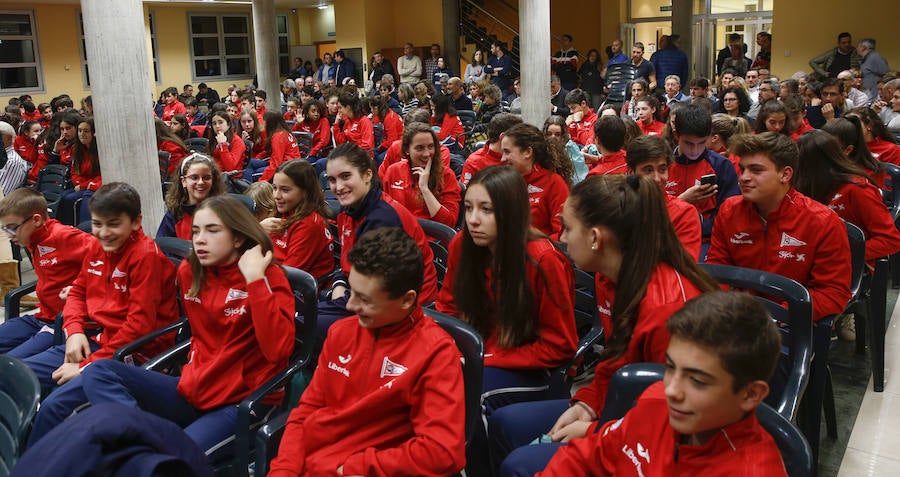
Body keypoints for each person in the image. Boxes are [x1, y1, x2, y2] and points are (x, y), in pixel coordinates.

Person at [491, 173, 717, 471]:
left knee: (520, 465)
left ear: (596, 238)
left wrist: (595, 431)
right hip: (627, 407)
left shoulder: (668, 310)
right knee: (504, 423)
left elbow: (682, 417)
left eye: (568, 228)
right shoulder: (608, 277)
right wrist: (588, 403)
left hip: (669, 437)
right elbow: (617, 357)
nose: (560, 238)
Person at [35, 195, 295, 453]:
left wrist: (255, 281)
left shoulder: (268, 277)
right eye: (195, 231)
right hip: (195, 388)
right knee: (99, 371)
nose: (199, 239)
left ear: (238, 238)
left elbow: (278, 351)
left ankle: (146, 451)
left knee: (168, 460)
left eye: (212, 230)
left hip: (242, 402)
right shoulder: (190, 272)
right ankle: (142, 442)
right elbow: (204, 339)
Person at [269, 227, 465, 476]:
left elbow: (441, 452)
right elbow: (306, 412)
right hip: (313, 463)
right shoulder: (341, 333)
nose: (350, 305)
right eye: (352, 292)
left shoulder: (436, 354)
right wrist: (284, 469)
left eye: (364, 299)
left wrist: (356, 467)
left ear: (406, 300)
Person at [533, 291, 787, 477]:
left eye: (697, 381)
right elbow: (592, 454)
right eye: (670, 367)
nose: (672, 390)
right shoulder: (656, 401)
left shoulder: (752, 470)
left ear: (751, 394)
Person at [24, 183, 180, 445]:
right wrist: (73, 331)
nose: (104, 232)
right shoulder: (98, 246)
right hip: (97, 339)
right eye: (97, 224)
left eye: (113, 224)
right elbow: (76, 292)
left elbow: (138, 328)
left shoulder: (145, 257)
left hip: (132, 354)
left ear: (136, 221)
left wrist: (86, 367)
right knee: (22, 378)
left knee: (53, 408)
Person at [438, 165, 576, 411]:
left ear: (512, 213)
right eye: (468, 208)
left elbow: (559, 346)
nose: (472, 219)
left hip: (529, 367)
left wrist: (487, 359)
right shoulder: (462, 243)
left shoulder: (544, 260)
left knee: (466, 397)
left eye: (486, 209)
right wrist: (450, 350)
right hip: (478, 352)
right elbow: (448, 307)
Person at [707, 132, 852, 323]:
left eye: (756, 170)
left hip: (792, 321)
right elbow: (717, 270)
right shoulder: (729, 210)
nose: (743, 178)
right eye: (742, 169)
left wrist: (780, 314)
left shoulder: (822, 221)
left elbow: (833, 293)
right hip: (737, 316)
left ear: (785, 174)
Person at [320, 143, 438, 336]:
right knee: (302, 319)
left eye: (346, 176)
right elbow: (349, 262)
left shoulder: (383, 218)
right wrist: (340, 283)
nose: (338, 187)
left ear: (367, 175)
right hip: (361, 295)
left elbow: (379, 289)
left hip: (395, 304)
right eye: (332, 180)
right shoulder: (348, 210)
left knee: (303, 325)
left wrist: (343, 295)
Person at [0, 188, 93, 358]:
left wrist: (83, 288)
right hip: (41, 315)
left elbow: (108, 255)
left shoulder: (64, 236)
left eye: (12, 228)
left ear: (36, 220)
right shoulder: (29, 237)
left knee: (10, 366)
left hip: (61, 321)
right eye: (5, 228)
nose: (9, 235)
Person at [795, 129, 900, 267]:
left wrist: (845, 254)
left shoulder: (858, 190)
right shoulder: (799, 187)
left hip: (849, 265)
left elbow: (890, 240)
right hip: (808, 257)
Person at [666, 104, 741, 245]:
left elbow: (729, 214)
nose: (695, 150)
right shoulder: (662, 165)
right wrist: (681, 201)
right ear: (676, 135)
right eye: (688, 143)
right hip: (667, 237)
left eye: (701, 143)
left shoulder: (721, 165)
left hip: (705, 240)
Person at [627, 135, 702, 259]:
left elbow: (683, 269)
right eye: (648, 170)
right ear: (631, 173)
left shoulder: (684, 214)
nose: (657, 179)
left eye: (662, 170)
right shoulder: (618, 207)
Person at [260, 160, 334, 280]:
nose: (276, 196)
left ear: (305, 192)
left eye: (285, 190)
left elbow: (288, 277)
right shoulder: (285, 211)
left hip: (297, 293)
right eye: (275, 188)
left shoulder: (309, 225)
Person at [382, 123, 461, 228]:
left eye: (431, 146)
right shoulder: (393, 171)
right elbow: (384, 211)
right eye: (420, 148)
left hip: (431, 242)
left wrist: (424, 189)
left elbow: (449, 223)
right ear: (407, 150)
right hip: (398, 238)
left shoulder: (446, 175)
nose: (426, 154)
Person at [501, 123, 571, 239]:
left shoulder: (553, 183)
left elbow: (562, 233)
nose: (502, 158)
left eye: (507, 152)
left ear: (527, 152)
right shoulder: (502, 181)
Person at [158, 153, 225, 240]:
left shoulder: (223, 211)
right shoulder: (174, 215)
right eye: (194, 177)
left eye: (206, 177)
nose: (201, 182)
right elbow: (163, 247)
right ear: (183, 181)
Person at [58, 118, 102, 226]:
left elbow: (102, 175)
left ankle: (80, 230)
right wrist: (79, 184)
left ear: (94, 133)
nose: (82, 134)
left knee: (70, 199)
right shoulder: (76, 148)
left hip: (94, 186)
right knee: (62, 198)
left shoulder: (101, 150)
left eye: (86, 131)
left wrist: (82, 185)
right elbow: (74, 171)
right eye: (80, 130)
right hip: (80, 185)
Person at [462, 112, 523, 185]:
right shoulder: (474, 163)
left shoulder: (522, 157)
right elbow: (468, 194)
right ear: (503, 137)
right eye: (518, 137)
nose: (521, 142)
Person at [255, 111, 301, 182]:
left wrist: (261, 182)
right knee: (252, 163)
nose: (262, 123)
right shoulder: (282, 132)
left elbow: (276, 163)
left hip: (288, 168)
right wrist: (258, 157)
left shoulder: (278, 137)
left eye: (263, 121)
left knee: (255, 172)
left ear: (270, 123)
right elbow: (270, 152)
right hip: (287, 164)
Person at [544, 116, 588, 184]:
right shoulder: (541, 148)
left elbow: (579, 177)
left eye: (557, 134)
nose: (553, 137)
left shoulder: (571, 148)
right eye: (549, 134)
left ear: (563, 135)